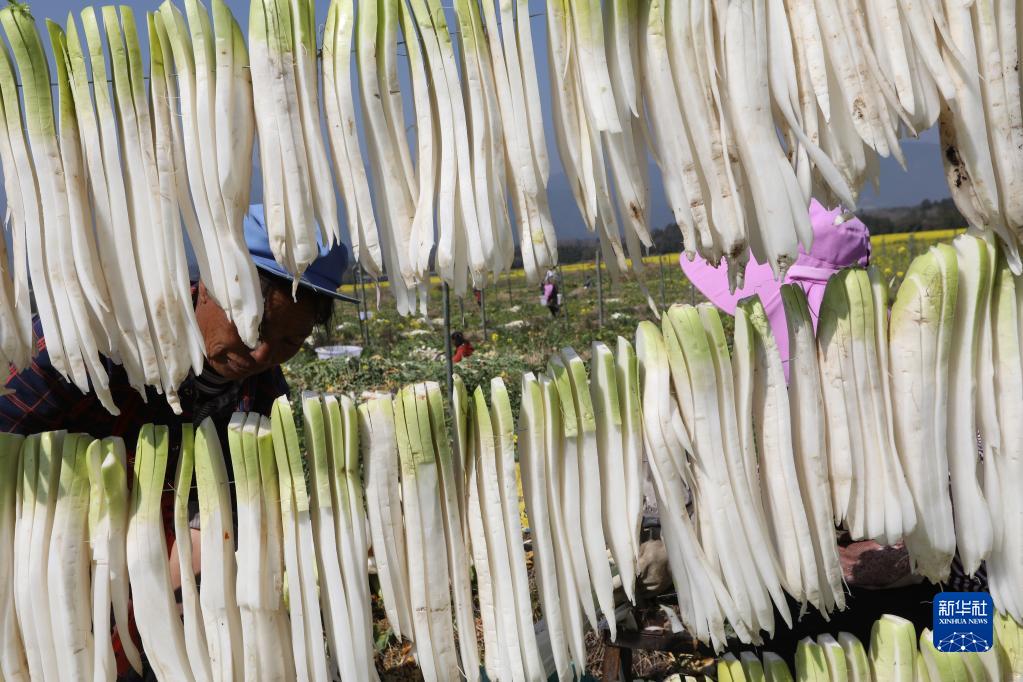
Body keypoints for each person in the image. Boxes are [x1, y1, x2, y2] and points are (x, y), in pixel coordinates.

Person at [0, 204, 359, 679]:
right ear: (210, 284)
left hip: (149, 570)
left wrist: (153, 607)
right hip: (34, 562)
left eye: (289, 342)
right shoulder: (90, 344)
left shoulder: (262, 393)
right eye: (255, 327)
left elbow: (215, 514)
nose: (262, 354)